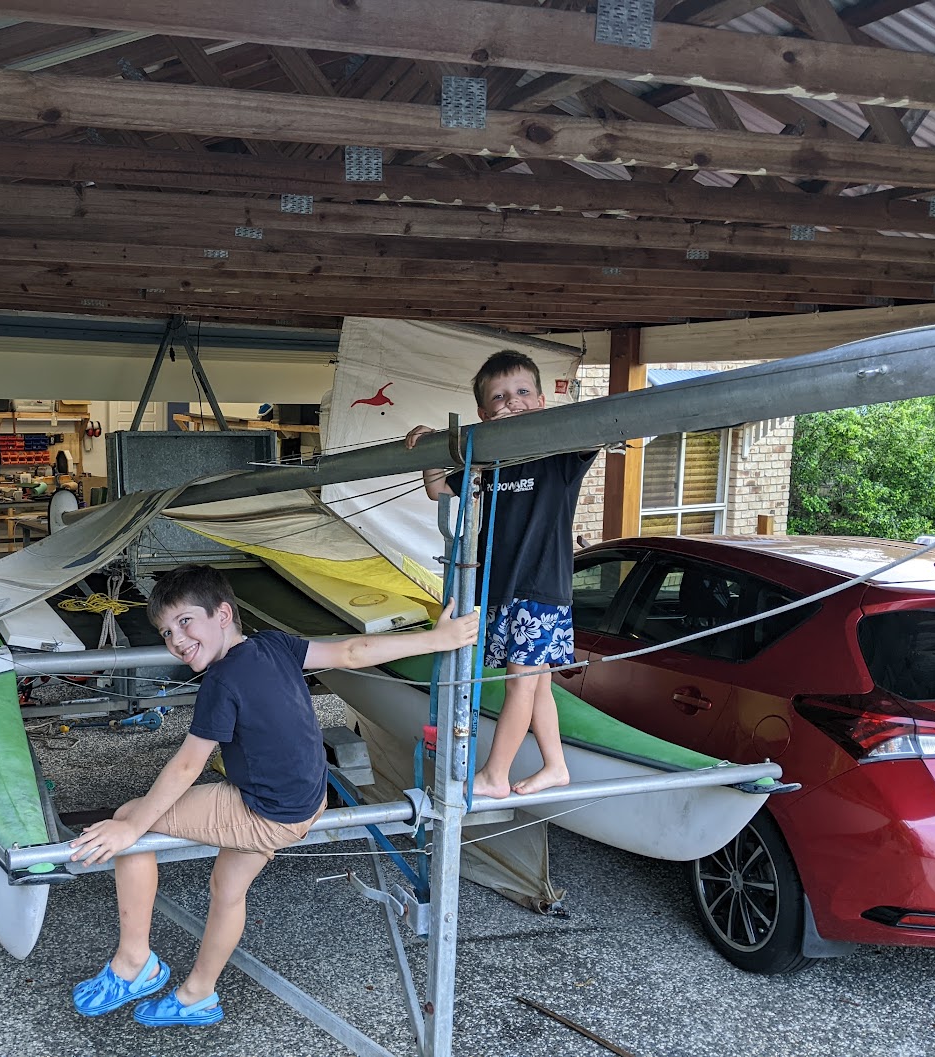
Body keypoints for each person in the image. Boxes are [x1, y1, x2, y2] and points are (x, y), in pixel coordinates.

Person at [67, 563, 478, 1028]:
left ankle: (133, 962)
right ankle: (197, 994)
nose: (176, 640)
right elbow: (351, 650)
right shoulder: (275, 644)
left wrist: (131, 827)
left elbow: (187, 764)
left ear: (222, 614)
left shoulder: (221, 681)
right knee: (227, 887)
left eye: (185, 622)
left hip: (264, 812)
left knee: (130, 816)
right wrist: (435, 639)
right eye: (166, 632)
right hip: (306, 798)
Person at [405, 350, 597, 800]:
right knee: (537, 682)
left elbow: (598, 429)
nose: (513, 402)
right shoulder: (488, 461)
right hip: (505, 589)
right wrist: (432, 446)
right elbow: (437, 487)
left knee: (520, 682)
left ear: (542, 400)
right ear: (483, 413)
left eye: (523, 392)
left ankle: (495, 775)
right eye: (500, 397)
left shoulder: (559, 458)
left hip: (540, 588)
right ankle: (555, 765)